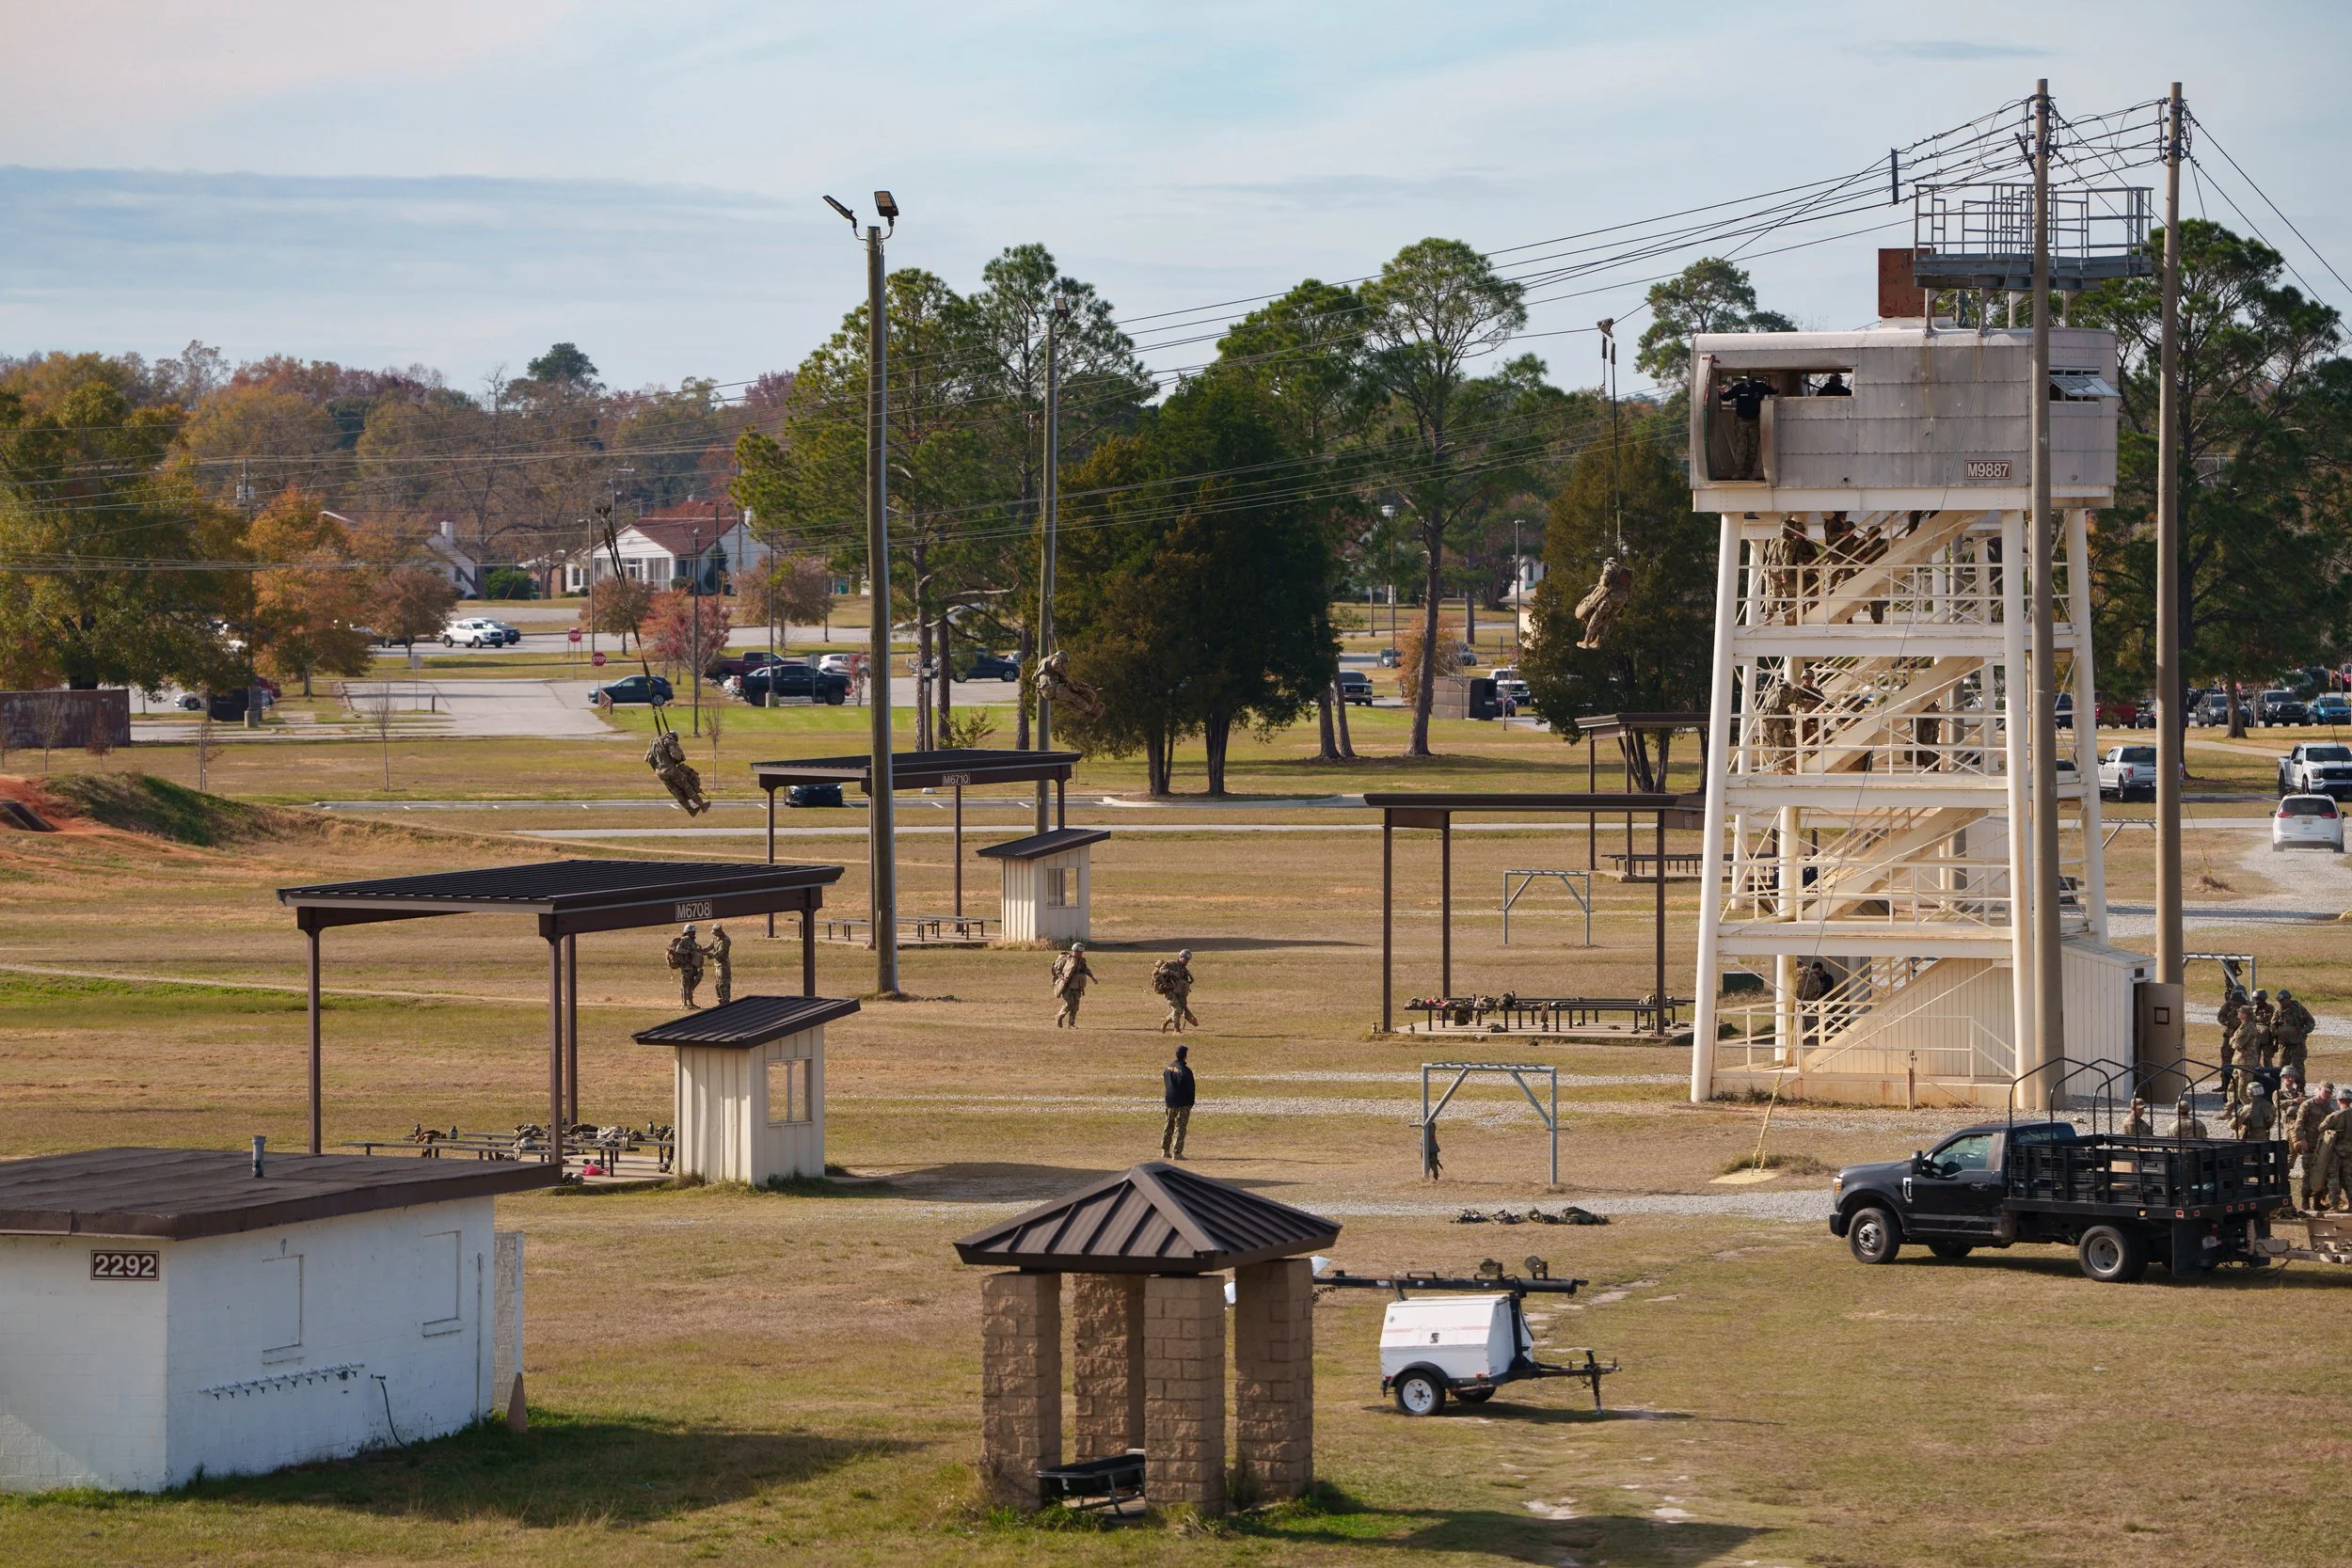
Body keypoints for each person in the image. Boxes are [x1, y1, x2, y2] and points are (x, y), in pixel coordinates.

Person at [646, 728, 710, 816]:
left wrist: (658, 768)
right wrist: (675, 758)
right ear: (675, 738)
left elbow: (648, 759)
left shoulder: (653, 743)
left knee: (676, 791)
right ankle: (702, 805)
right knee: (687, 786)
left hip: (660, 773)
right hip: (671, 770)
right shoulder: (670, 741)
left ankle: (690, 810)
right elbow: (675, 756)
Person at [1720, 374, 1773, 480]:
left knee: (1751, 447)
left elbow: (1774, 391)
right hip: (1742, 420)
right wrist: (1722, 392)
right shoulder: (1740, 387)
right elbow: (1725, 397)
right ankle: (1739, 472)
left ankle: (1747, 472)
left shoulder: (1759, 387)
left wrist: (1774, 387)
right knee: (1741, 446)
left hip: (1753, 420)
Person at [2294, 1084, 2336, 1213]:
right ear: (2319, 1090)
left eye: (2330, 1093)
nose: (2328, 1095)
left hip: (2322, 1146)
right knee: (2308, 1173)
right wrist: (2302, 1140)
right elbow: (2299, 1124)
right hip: (2309, 1144)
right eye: (2326, 1091)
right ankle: (2305, 1202)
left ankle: (2317, 1202)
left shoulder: (2327, 1108)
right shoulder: (2307, 1105)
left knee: (2321, 1173)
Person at [1051, 942, 1097, 1028]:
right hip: (1067, 987)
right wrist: (1062, 977)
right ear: (1075, 951)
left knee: (1075, 1007)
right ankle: (1059, 1016)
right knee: (1069, 1004)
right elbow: (1057, 969)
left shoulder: (1082, 961)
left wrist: (1092, 977)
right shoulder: (1066, 959)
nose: (1081, 954)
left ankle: (1071, 1024)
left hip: (1077, 987)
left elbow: (1086, 969)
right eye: (1079, 952)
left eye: (1082, 952)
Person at [1162, 1044, 1196, 1160]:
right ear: (1185, 1055)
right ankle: (1177, 1152)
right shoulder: (1185, 1071)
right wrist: (1191, 1102)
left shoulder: (1168, 1068)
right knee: (1180, 1127)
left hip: (1170, 1101)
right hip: (1182, 1102)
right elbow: (1190, 1088)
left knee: (1169, 1125)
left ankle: (1165, 1150)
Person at [1152, 949, 1200, 1033]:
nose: (1187, 961)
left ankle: (1166, 1021)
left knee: (1180, 1011)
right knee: (1177, 1009)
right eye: (1185, 959)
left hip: (1179, 992)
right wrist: (1172, 973)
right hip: (1169, 991)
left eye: (1188, 960)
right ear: (1180, 957)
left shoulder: (1185, 970)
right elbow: (1162, 970)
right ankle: (1176, 1030)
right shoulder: (1171, 964)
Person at [2276, 988, 2316, 1082]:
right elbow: (2273, 1025)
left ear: (2288, 998)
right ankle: (2279, 1089)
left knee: (2298, 1068)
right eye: (2279, 1001)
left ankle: (2300, 1088)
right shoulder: (2278, 1011)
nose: (2281, 1003)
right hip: (2284, 1044)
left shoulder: (2300, 1009)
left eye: (2282, 1000)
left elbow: (2311, 1023)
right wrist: (2278, 1033)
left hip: (2298, 1044)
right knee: (2281, 1067)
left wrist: (2302, 1031)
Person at [666, 923, 707, 1008]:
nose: (694, 933)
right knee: (685, 985)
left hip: (693, 966)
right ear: (687, 932)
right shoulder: (685, 939)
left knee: (691, 984)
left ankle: (691, 1002)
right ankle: (684, 1003)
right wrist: (688, 952)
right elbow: (678, 949)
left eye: (694, 931)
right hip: (686, 966)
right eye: (692, 932)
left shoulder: (692, 941)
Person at [2232, 1079, 2278, 1143]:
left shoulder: (2248, 1108)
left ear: (2248, 1092)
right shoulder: (2269, 1106)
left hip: (2249, 1138)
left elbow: (2233, 1125)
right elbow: (2270, 1123)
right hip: (2263, 1136)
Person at [704, 923, 733, 1007]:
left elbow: (719, 953)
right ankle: (720, 1000)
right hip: (717, 965)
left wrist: (707, 954)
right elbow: (710, 946)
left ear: (719, 932)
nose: (714, 934)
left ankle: (726, 1001)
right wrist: (702, 950)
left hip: (723, 965)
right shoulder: (716, 938)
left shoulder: (725, 940)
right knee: (717, 984)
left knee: (723, 983)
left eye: (715, 932)